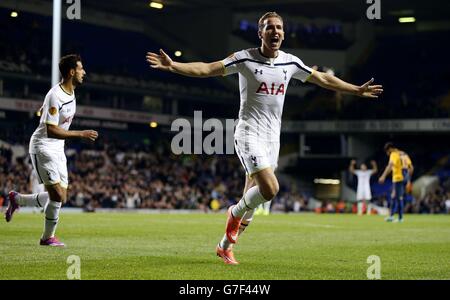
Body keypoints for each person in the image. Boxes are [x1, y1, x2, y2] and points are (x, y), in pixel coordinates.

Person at [146, 11, 383, 265]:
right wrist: (174, 66)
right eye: (270, 28)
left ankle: (224, 246)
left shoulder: (290, 63)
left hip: (273, 140)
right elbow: (207, 68)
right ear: (260, 33)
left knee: (251, 202)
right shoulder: (244, 59)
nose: (275, 32)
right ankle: (233, 213)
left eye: (279, 28)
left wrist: (355, 90)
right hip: (248, 133)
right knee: (270, 189)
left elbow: (323, 78)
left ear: (283, 33)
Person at [4, 54, 98, 247]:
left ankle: (18, 200)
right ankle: (47, 238)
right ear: (72, 72)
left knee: (61, 196)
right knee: (57, 196)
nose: (84, 72)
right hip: (43, 147)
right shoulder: (55, 95)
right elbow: (51, 130)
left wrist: (45, 108)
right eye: (81, 69)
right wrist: (81, 134)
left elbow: (52, 111)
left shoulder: (68, 92)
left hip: (58, 148)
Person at [378, 142, 404, 222]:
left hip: (398, 178)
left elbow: (390, 165)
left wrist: (383, 176)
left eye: (387, 151)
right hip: (400, 178)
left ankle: (399, 218)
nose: (387, 153)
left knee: (397, 197)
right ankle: (394, 216)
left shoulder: (393, 154)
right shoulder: (400, 153)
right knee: (395, 197)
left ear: (389, 149)